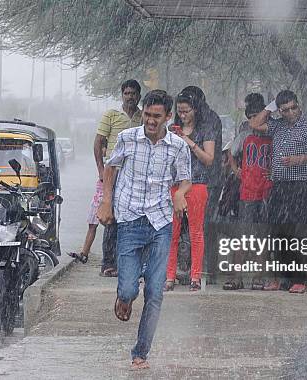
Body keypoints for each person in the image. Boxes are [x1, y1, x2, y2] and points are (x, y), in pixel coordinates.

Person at [97, 90, 191, 370]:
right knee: (128, 288)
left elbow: (185, 179)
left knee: (155, 291)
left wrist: (180, 194)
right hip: (129, 219)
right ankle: (124, 297)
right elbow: (111, 168)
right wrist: (106, 201)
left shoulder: (177, 146)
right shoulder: (127, 138)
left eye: (157, 116)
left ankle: (140, 352)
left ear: (168, 117)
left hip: (161, 221)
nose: (151, 121)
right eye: (147, 115)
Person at [249, 90, 307, 293]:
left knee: (298, 232)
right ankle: (282, 277)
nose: (291, 112)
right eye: (285, 110)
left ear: (298, 105)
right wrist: (270, 107)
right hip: (279, 186)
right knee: (278, 231)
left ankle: (300, 279)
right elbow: (255, 124)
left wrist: (299, 159)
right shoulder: (277, 126)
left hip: (300, 185)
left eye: (293, 107)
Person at [165, 89, 216, 292]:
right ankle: (169, 276)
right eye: (180, 111)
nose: (183, 115)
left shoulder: (205, 129)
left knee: (196, 231)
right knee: (172, 232)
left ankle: (195, 276)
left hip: (197, 182)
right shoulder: (170, 129)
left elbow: (209, 159)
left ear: (195, 110)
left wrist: (188, 142)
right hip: (175, 184)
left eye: (186, 111)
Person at [223, 93, 273, 290]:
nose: (255, 120)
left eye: (257, 116)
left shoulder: (272, 133)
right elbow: (231, 154)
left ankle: (259, 276)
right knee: (242, 235)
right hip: (247, 191)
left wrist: (273, 173)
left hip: (266, 191)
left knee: (262, 235)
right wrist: (237, 171)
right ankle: (236, 276)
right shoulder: (245, 136)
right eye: (251, 117)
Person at [95, 79, 142, 277]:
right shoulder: (111, 116)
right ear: (122, 95)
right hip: (114, 173)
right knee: (111, 218)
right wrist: (101, 172)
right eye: (127, 93)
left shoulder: (143, 117)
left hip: (136, 175)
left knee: (134, 218)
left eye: (133, 93)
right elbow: (98, 143)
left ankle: (132, 263)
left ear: (139, 95)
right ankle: (109, 263)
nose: (130, 97)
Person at [181, 86, 224, 284]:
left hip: (208, 180)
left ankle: (206, 269)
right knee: (194, 226)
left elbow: (209, 157)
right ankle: (195, 268)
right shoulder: (196, 119)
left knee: (204, 226)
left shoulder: (209, 120)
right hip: (193, 180)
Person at [68, 143, 107, 263]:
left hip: (106, 200)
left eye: (103, 148)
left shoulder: (112, 163)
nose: (101, 151)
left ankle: (110, 257)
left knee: (110, 228)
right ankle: (84, 253)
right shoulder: (103, 164)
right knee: (92, 225)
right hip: (97, 199)